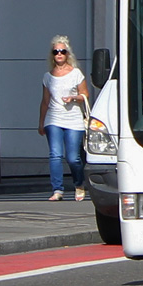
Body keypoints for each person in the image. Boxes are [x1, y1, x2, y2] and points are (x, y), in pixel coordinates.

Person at [38, 35, 90, 201]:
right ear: (52, 55)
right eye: (56, 52)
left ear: (67, 54)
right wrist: (41, 122)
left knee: (73, 157)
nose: (59, 54)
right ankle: (57, 190)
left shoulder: (76, 74)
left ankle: (79, 184)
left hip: (73, 119)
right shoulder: (48, 76)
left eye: (62, 51)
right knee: (55, 154)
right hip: (53, 118)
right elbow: (45, 101)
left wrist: (74, 98)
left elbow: (85, 95)